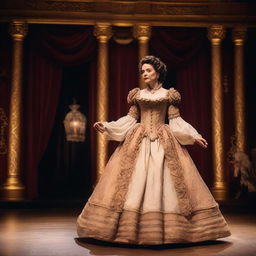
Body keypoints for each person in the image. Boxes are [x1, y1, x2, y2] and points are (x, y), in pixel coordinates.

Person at [77, 56, 231, 245]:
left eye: (148, 70)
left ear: (158, 73)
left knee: (167, 183)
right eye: (142, 71)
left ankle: (177, 230)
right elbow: (130, 119)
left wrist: (193, 136)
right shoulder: (137, 95)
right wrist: (108, 126)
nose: (144, 74)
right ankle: (124, 230)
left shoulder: (169, 95)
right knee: (129, 182)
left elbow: (175, 121)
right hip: (138, 140)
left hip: (163, 140)